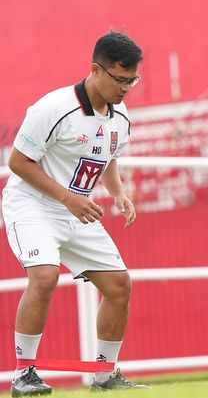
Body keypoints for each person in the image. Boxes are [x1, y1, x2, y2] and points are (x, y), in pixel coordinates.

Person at [2, 31, 148, 395]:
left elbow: (108, 156)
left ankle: (103, 375)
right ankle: (23, 376)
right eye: (120, 79)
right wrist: (69, 199)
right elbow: (18, 162)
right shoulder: (52, 108)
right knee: (46, 276)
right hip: (32, 205)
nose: (126, 88)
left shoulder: (121, 115)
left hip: (77, 210)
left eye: (133, 80)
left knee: (118, 286)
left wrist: (119, 194)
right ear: (95, 70)